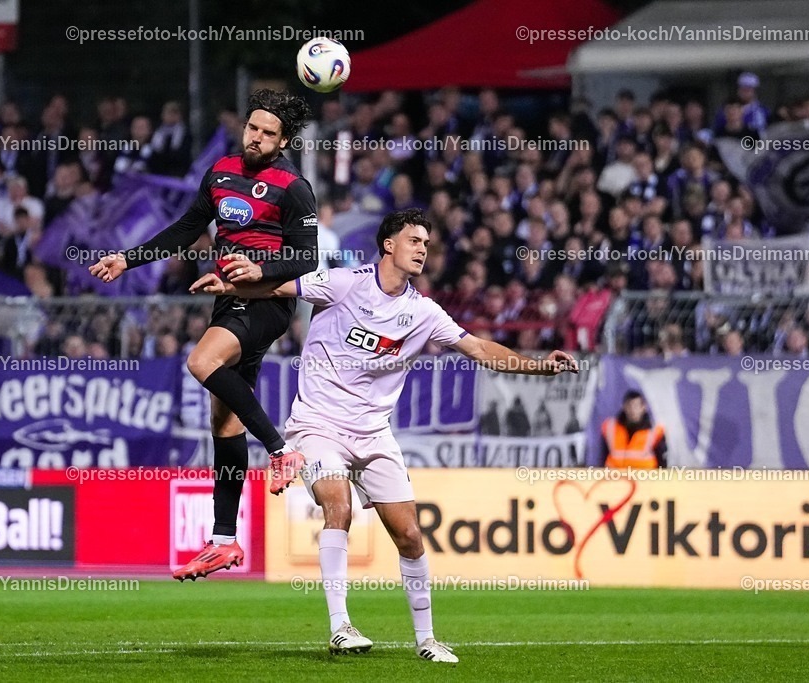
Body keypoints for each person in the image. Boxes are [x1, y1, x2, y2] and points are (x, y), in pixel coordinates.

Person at [190, 208, 578, 664]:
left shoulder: (423, 311)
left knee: (410, 535)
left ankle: (427, 639)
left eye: (427, 245)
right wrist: (230, 285)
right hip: (318, 424)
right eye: (415, 241)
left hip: (374, 433)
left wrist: (537, 365)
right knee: (339, 506)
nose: (423, 250)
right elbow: (278, 286)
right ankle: (340, 627)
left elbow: (478, 348)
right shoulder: (344, 283)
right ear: (388, 244)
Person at [89, 89, 318, 581]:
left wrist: (254, 271)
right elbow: (186, 228)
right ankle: (223, 541)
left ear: (283, 141)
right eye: (252, 127)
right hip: (228, 296)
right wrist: (127, 259)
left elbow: (306, 259)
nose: (256, 137)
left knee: (201, 361)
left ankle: (282, 450)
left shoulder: (293, 187)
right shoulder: (220, 172)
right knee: (225, 424)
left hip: (267, 301)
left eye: (267, 132)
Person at [601, 390, 667, 468]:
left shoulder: (655, 431)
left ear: (643, 407)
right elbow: (602, 454)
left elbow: (662, 460)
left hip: (645, 476)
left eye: (636, 406)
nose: (632, 410)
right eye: (629, 406)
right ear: (624, 406)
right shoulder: (610, 427)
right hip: (615, 475)